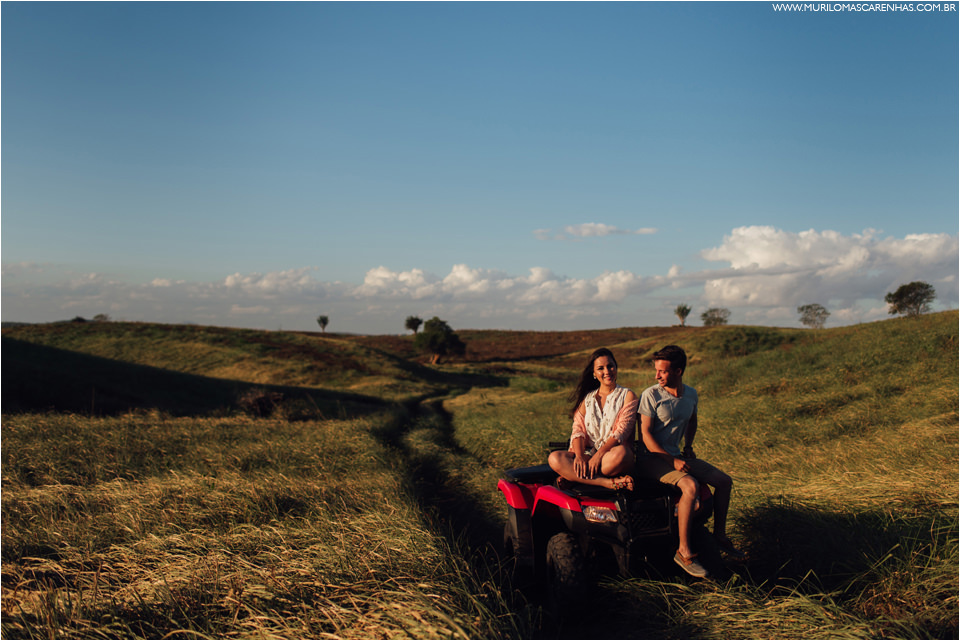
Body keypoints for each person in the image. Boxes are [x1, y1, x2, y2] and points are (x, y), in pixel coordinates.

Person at [637, 344, 744, 578]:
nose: (657, 376)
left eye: (662, 371)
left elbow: (692, 420)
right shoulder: (651, 395)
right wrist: (670, 461)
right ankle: (683, 551)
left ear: (678, 371)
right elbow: (645, 434)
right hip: (651, 458)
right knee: (690, 486)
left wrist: (688, 446)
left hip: (676, 456)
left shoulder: (691, 394)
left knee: (724, 481)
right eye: (656, 371)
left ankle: (720, 536)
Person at [548, 348, 636, 491]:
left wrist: (599, 455)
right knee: (554, 458)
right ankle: (604, 482)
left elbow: (622, 432)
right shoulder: (587, 400)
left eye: (610, 366)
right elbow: (578, 430)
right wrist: (579, 456)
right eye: (601, 368)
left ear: (616, 367)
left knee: (622, 454)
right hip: (589, 455)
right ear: (594, 374)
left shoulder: (628, 396)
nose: (607, 371)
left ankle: (575, 477)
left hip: (610, 456)